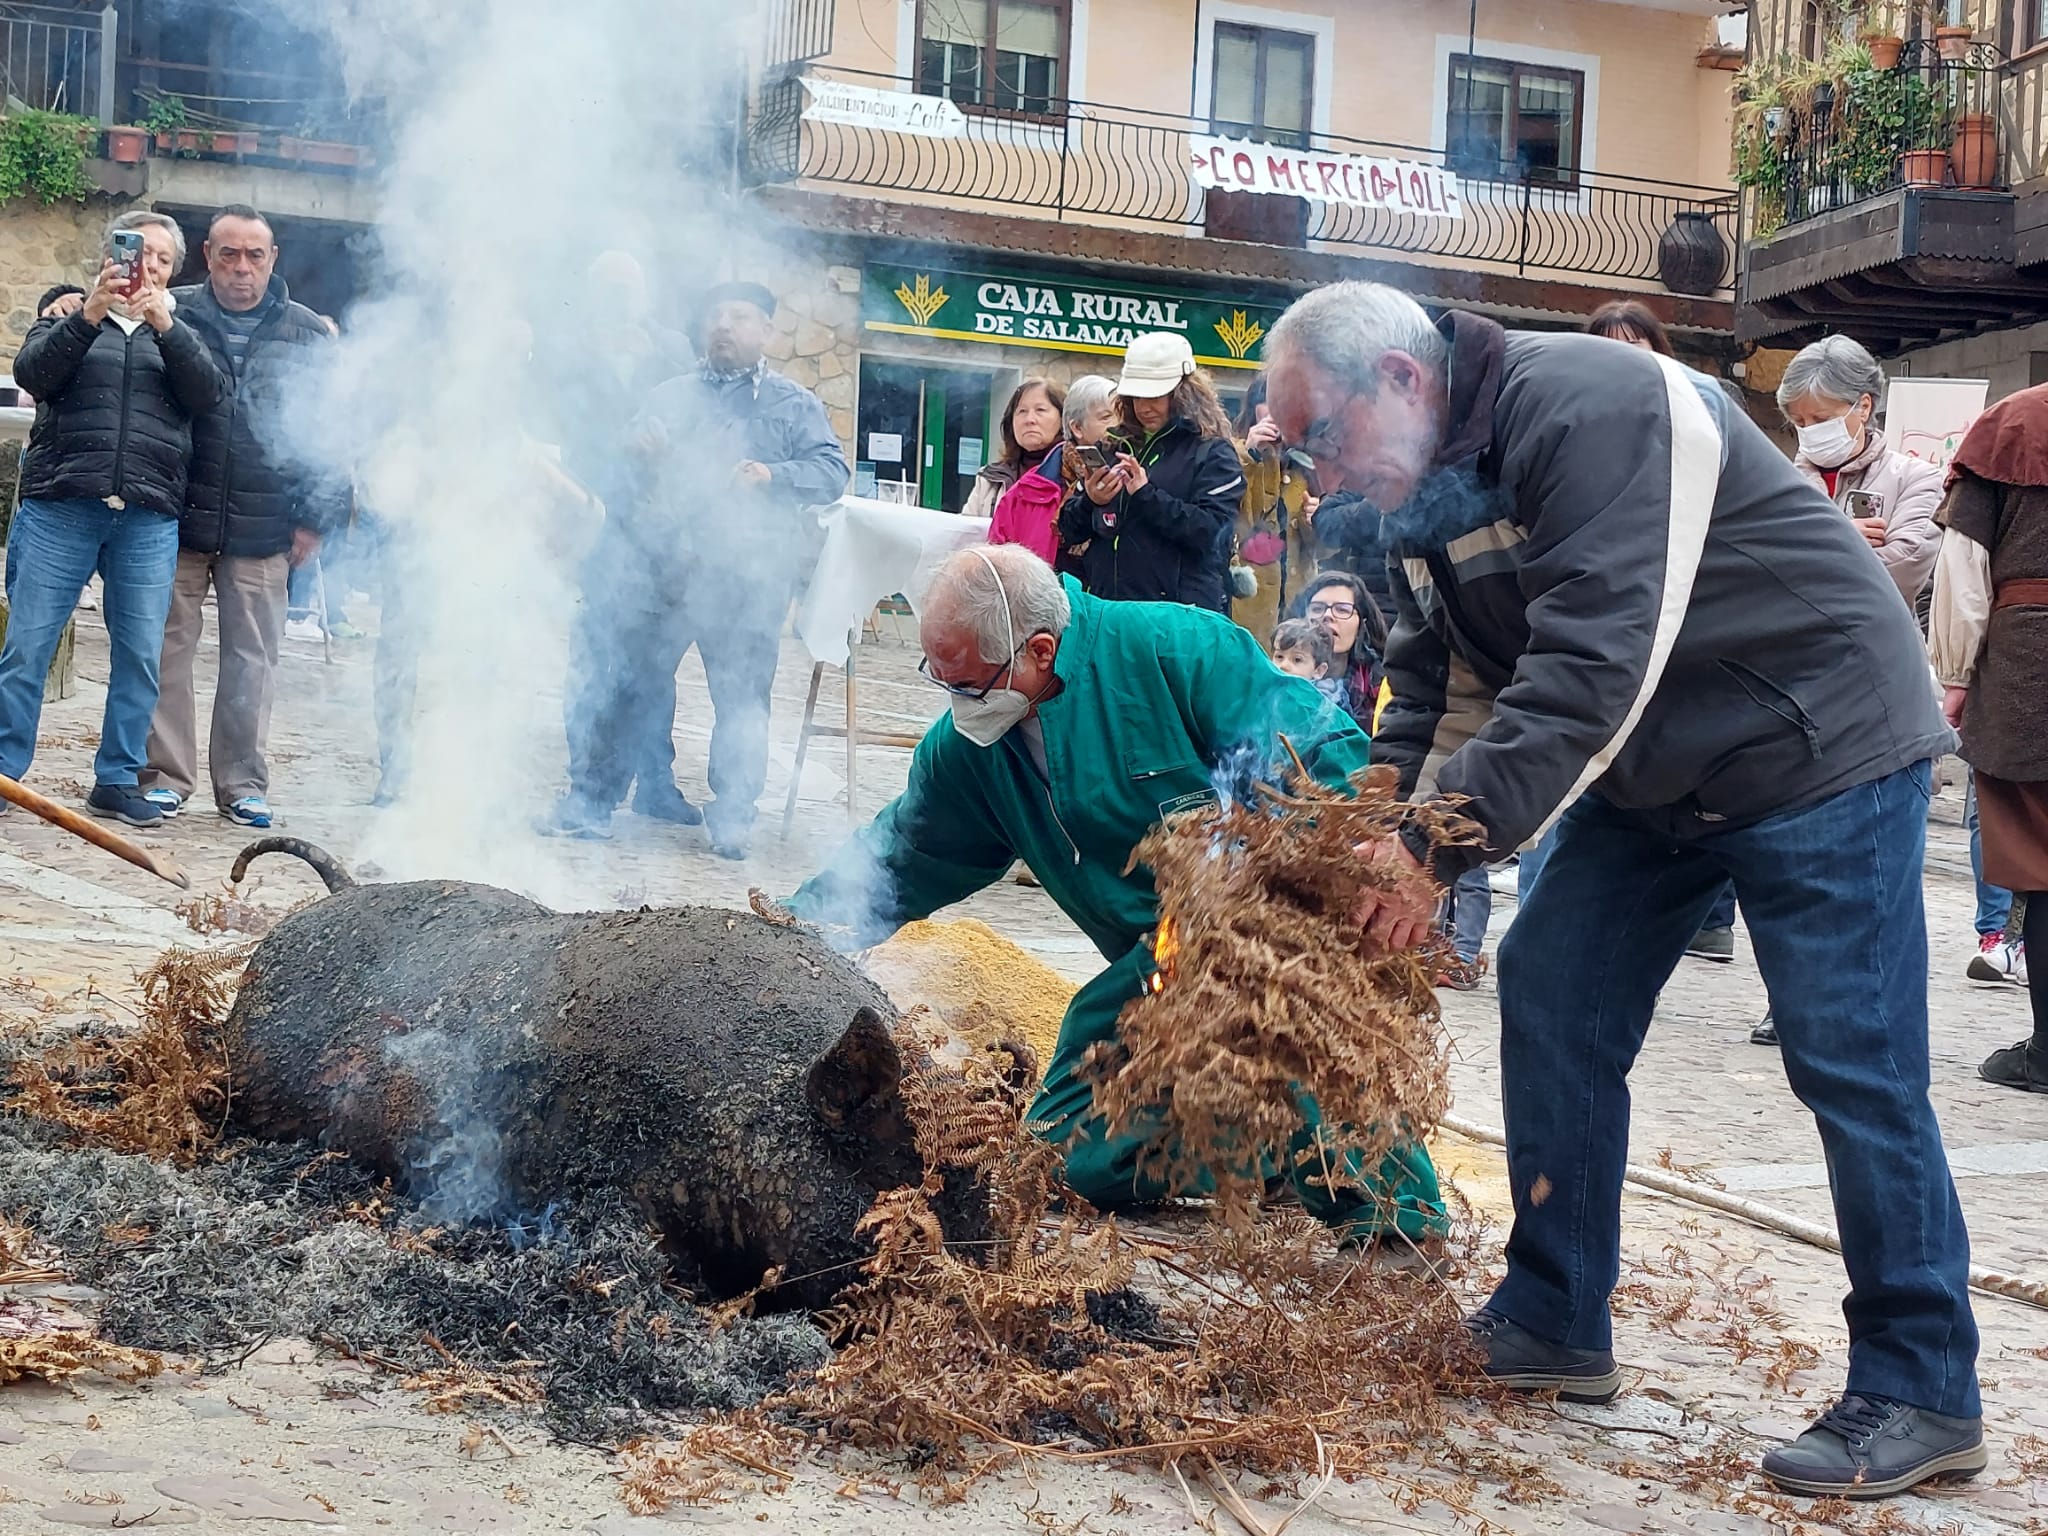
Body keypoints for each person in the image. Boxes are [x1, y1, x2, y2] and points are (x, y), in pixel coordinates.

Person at [1265, 280, 1980, 1498]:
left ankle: (1919, 1383)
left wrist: (1437, 851)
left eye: (1320, 439)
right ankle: (1551, 1317)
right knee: (1550, 982)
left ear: (1396, 381)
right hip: (1662, 764)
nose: (1320, 480)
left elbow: (1590, 662)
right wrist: (1378, 816)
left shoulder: (1585, 404)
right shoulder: (1419, 481)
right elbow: (1426, 671)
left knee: (1847, 1056)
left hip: (1813, 737)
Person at [788, 544, 1444, 1244]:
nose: (957, 704)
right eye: (939, 680)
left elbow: (1315, 751)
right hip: (1153, 966)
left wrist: (1346, 868)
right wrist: (796, 934)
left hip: (1260, 928)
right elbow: (904, 853)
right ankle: (1257, 1155)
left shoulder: (1174, 650)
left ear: (1040, 651)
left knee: (1287, 1010)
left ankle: (1392, 1221)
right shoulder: (972, 751)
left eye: (970, 687)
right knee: (1059, 1156)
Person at [551, 280, 847, 857]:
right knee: (628, 682)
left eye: (739, 316)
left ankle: (733, 815)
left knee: (740, 698)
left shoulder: (794, 404)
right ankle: (591, 799)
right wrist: (633, 450)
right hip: (661, 568)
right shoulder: (668, 396)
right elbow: (616, 472)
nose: (723, 325)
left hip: (745, 576)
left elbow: (832, 471)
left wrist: (771, 475)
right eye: (715, 315)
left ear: (765, 330)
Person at [116, 206, 343, 830]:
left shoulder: (306, 333)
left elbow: (331, 432)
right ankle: (164, 777)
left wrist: (314, 520)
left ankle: (242, 783)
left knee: (253, 660)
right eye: (228, 254)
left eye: (254, 255)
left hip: (265, 523)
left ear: (273, 259)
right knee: (166, 651)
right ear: (207, 256)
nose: (241, 267)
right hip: (177, 516)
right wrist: (60, 303)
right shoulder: (172, 311)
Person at [0, 215, 226, 827]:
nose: (145, 265)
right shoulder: (69, 315)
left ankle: (118, 779)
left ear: (173, 270)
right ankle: (3, 769)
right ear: (109, 256)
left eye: (159, 258)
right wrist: (88, 314)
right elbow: (32, 375)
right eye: (135, 251)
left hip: (148, 517)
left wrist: (166, 327)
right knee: (27, 647)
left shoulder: (185, 329)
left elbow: (209, 396)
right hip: (61, 506)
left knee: (139, 657)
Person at [1581, 303, 1742, 968]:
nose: (1630, 366)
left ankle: (1716, 917)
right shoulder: (1582, 442)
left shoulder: (1708, 418)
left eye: (1640, 349)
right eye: (1612, 352)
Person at [1931, 383, 2048, 1091]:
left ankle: (2046, 1053)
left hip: (2027, 673)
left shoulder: (2013, 423)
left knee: (2042, 869)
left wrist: (1954, 674)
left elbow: (1965, 573)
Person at [1058, 333, 1242, 611]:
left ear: (1183, 392)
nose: (1144, 407)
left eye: (1155, 395)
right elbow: (1068, 530)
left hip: (1180, 619)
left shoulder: (1214, 452)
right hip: (1109, 613)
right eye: (1136, 396)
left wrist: (1147, 496)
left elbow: (1213, 535)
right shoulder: (1112, 445)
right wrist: (1090, 502)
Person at [1779, 335, 1944, 610]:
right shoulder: (1780, 481)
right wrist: (1842, 535)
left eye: (1821, 419)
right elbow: (1754, 566)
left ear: (1864, 407)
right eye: (1799, 421)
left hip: (1874, 645)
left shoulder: (1916, 478)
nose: (1808, 429)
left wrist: (1798, 552)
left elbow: (1900, 572)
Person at [1229, 376, 1316, 639]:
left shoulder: (1307, 462)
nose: (1276, 412)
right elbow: (1229, 511)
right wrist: (1250, 455)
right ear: (1254, 407)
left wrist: (1316, 520)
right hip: (1246, 603)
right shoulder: (1232, 453)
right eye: (1268, 402)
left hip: (1295, 604)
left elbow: (1324, 548)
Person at [970, 378, 1068, 565]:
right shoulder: (990, 479)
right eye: (1021, 411)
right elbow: (966, 532)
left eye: (1040, 410)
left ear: (1063, 418)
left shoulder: (1072, 477)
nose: (1030, 419)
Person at [1269, 616, 1334, 692]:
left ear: (1319, 670)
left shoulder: (1322, 701)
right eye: (1279, 656)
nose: (1283, 666)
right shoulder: (1265, 691)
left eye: (1297, 659)